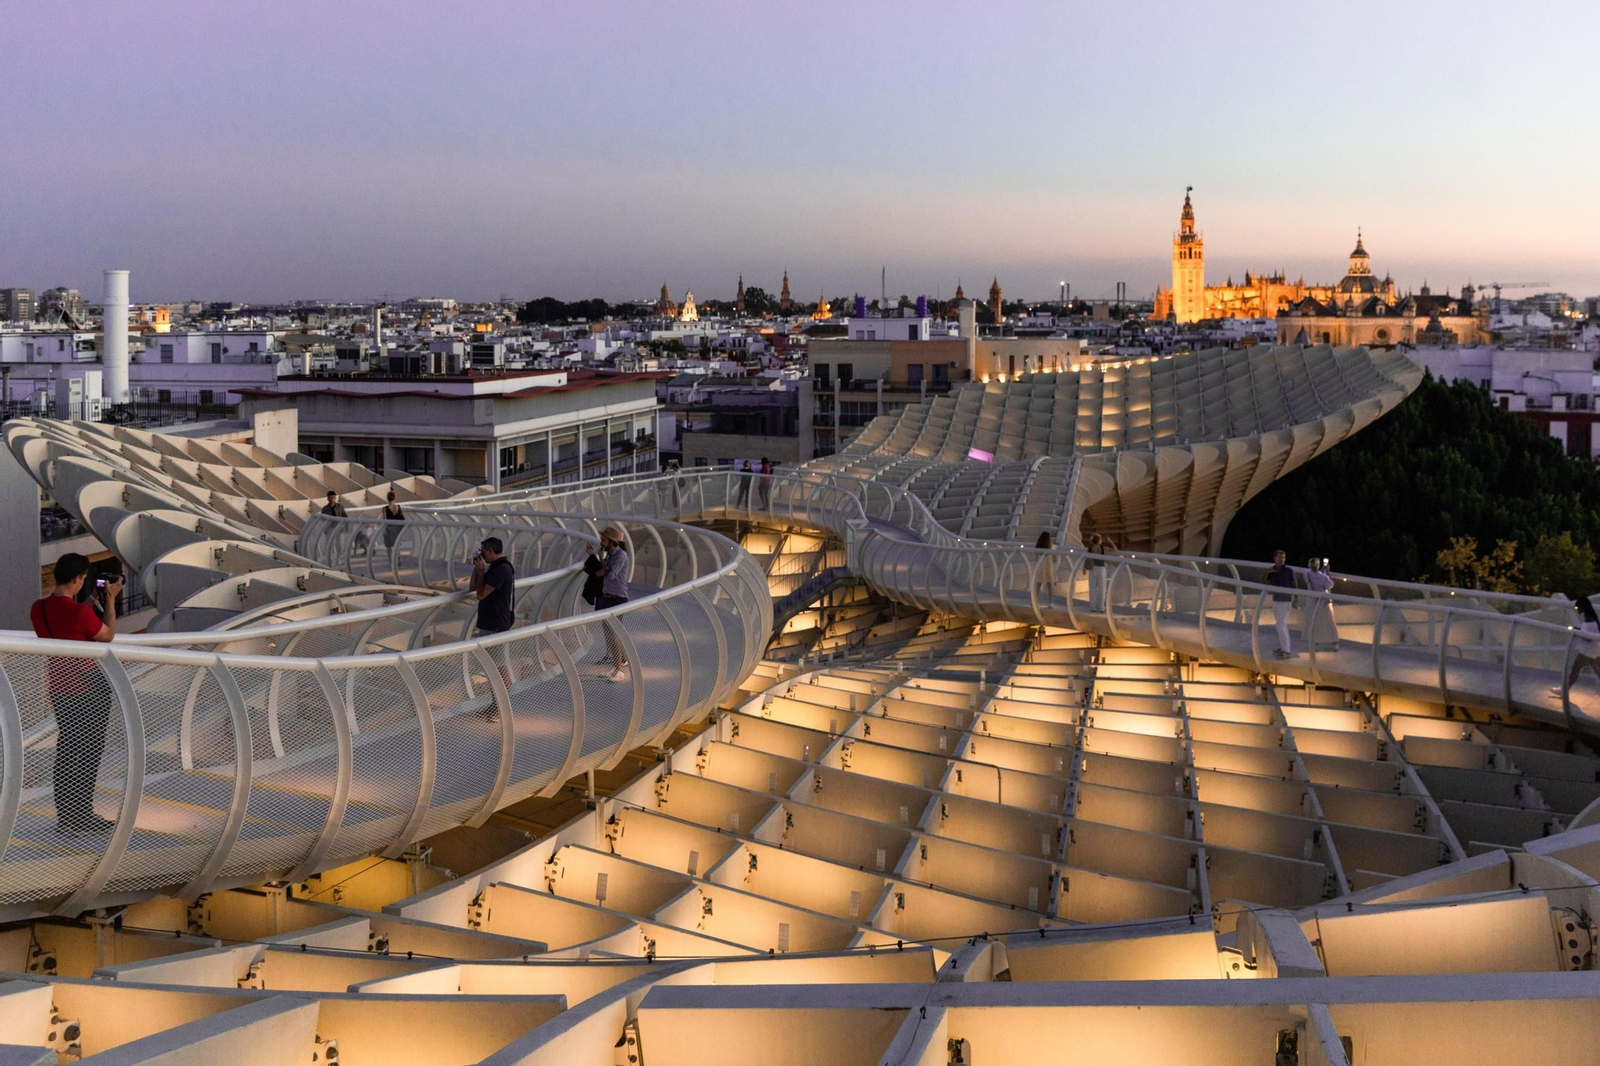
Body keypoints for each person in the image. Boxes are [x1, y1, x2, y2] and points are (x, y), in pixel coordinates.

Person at [31, 552, 123, 834]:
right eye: (84, 578)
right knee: (89, 752)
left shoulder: (39, 608)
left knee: (68, 750)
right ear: (78, 579)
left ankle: (67, 817)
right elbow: (107, 634)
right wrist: (109, 599)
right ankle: (82, 815)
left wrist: (91, 602)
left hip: (59, 688)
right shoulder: (79, 613)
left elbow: (69, 625)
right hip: (88, 688)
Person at [471, 538, 516, 719]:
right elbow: (474, 588)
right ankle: (494, 705)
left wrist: (482, 571)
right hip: (490, 623)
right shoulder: (494, 568)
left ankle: (501, 709)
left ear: (490, 551)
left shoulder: (502, 569)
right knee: (493, 667)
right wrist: (477, 570)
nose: (481, 555)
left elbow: (481, 595)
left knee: (499, 668)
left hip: (496, 625)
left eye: (483, 552)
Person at [593, 525, 631, 682]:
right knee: (608, 631)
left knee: (613, 633)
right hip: (607, 596)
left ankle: (619, 669)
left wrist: (601, 571)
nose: (601, 542)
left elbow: (611, 575)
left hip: (617, 598)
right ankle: (616, 665)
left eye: (604, 540)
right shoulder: (610, 554)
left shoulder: (621, 556)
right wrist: (600, 557)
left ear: (612, 541)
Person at [1559, 595, 1600, 700]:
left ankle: (1563, 691)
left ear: (1582, 607)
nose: (1577, 610)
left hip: (1586, 651)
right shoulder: (1592, 618)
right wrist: (1577, 630)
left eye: (1577, 608)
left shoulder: (1588, 619)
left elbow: (1588, 637)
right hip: (1595, 650)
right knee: (1598, 671)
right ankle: (1563, 690)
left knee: (1575, 670)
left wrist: (1576, 633)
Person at [1265, 550, 1298, 659]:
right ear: (1275, 559)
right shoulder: (1272, 571)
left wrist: (1296, 599)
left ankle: (1286, 650)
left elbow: (1294, 585)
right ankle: (1284, 647)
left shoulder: (1288, 571)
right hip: (1276, 600)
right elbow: (1263, 583)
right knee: (1282, 625)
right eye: (1280, 558)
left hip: (1285, 600)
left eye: (1283, 558)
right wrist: (1267, 573)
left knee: (1280, 624)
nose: (1282, 560)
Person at [1304, 556, 1338, 652]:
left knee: (1313, 620)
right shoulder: (1322, 577)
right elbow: (1330, 584)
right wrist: (1326, 573)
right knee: (1329, 620)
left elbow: (1313, 579)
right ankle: (1334, 642)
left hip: (1311, 599)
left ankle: (1315, 643)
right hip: (1323, 600)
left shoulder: (1306, 574)